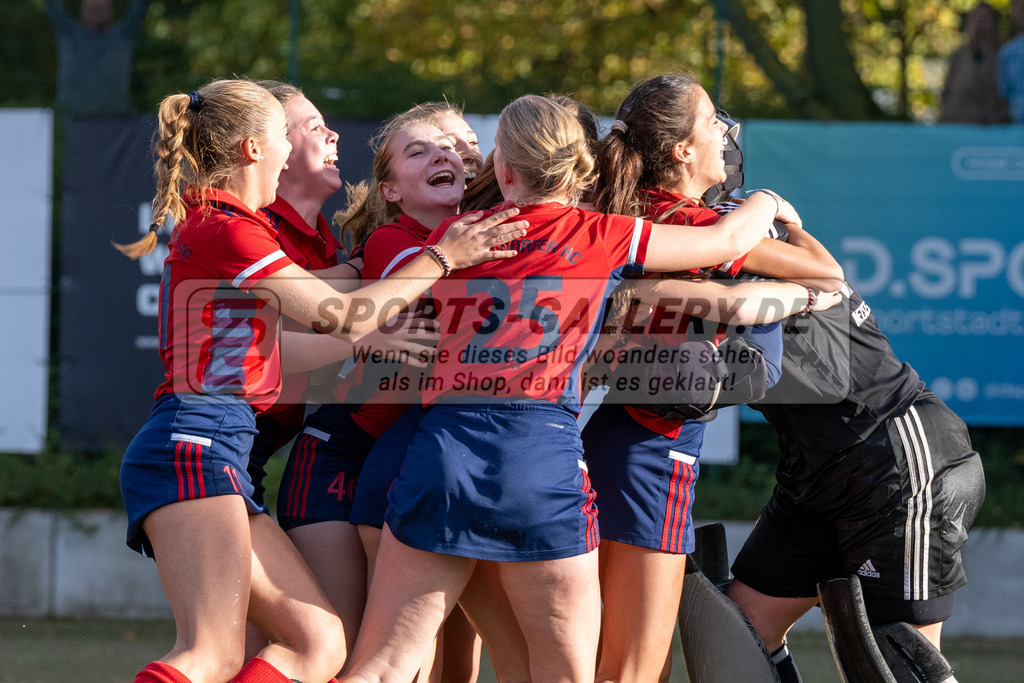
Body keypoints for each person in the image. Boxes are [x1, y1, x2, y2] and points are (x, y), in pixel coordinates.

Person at [338, 93, 805, 683]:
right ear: (581, 165)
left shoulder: (461, 232)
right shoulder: (602, 233)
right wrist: (764, 201)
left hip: (444, 454)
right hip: (540, 463)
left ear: (502, 171)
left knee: (384, 665)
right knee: (563, 673)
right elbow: (724, 243)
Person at [113, 78, 525, 683]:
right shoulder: (228, 227)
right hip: (194, 443)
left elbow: (327, 298)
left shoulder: (234, 226)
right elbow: (349, 317)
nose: (306, 142)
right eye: (289, 133)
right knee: (212, 655)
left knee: (318, 643)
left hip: (216, 445)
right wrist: (442, 258)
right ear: (256, 149)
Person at [582, 71, 845, 683]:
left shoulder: (640, 211)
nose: (724, 134)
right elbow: (825, 274)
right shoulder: (693, 225)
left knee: (607, 661)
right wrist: (770, 205)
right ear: (680, 151)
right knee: (633, 669)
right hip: (651, 449)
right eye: (709, 123)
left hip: (617, 436)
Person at [277, 104, 515, 681]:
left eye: (459, 147)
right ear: (390, 188)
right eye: (421, 150)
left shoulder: (480, 234)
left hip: (422, 453)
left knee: (435, 652)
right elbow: (454, 292)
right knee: (341, 646)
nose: (448, 155)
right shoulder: (395, 240)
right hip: (341, 452)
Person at [44, 0, 151, 115]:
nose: (97, 12)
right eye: (92, 8)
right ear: (82, 10)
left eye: (102, 8)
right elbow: (53, 6)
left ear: (111, 11)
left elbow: (140, 6)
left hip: (115, 119)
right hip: (72, 118)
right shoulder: (68, 34)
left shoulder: (122, 35)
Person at [940, 2, 1010, 123]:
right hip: (958, 125)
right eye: (975, 19)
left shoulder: (1004, 55)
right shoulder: (958, 56)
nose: (979, 25)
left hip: (993, 128)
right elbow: (946, 92)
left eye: (985, 20)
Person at [1000, 0, 1024, 122]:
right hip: (1017, 126)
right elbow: (1004, 95)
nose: (1021, 9)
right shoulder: (1007, 52)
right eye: (1017, 5)